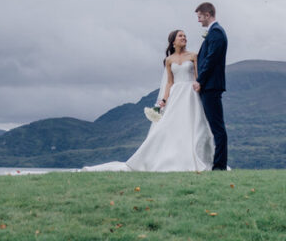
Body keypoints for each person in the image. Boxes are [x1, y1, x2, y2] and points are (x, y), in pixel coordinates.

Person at [82, 29, 214, 172]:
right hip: (176, 95)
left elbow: (198, 75)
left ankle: (195, 158)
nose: (184, 38)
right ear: (173, 41)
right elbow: (170, 82)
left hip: (190, 94)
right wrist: (164, 99)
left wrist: (199, 86)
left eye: (185, 36)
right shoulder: (169, 60)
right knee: (170, 126)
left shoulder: (194, 55)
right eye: (180, 36)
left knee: (194, 125)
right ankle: (169, 158)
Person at [193, 2, 228, 170]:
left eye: (200, 17)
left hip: (211, 86)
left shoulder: (216, 33)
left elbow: (211, 60)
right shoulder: (214, 33)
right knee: (215, 126)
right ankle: (217, 163)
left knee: (217, 127)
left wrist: (200, 81)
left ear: (208, 15)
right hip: (210, 86)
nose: (199, 21)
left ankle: (219, 165)